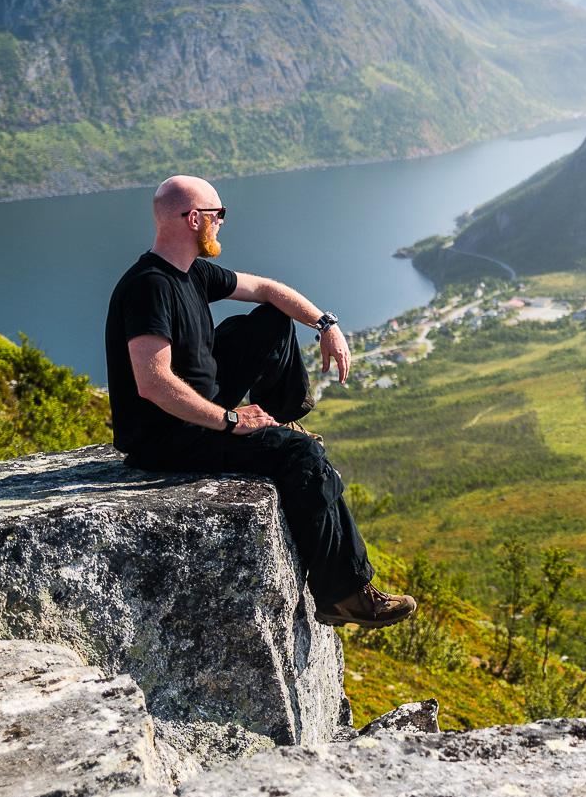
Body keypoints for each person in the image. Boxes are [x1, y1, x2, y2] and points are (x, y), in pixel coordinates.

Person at [103, 173, 415, 629]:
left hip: (197, 408)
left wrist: (326, 324)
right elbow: (153, 383)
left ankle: (283, 418)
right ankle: (344, 594)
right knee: (305, 458)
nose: (223, 223)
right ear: (194, 220)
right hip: (167, 436)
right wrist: (230, 420)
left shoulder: (191, 272)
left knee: (271, 321)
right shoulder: (149, 286)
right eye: (218, 215)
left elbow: (269, 290)